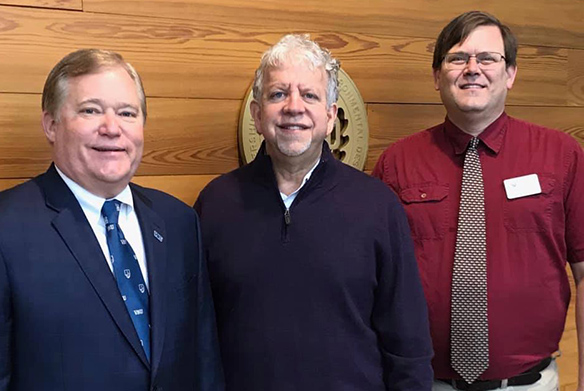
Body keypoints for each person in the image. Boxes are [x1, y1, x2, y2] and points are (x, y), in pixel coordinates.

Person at [194, 34, 433, 391]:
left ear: (330, 115)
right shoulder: (216, 203)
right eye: (278, 94)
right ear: (258, 116)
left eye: (310, 95)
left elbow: (407, 342)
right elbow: (195, 332)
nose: (294, 107)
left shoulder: (378, 206)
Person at [0, 49, 223, 391]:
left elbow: (204, 363)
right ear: (51, 125)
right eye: (90, 110)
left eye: (127, 113)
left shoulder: (179, 221)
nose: (112, 128)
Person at [373, 11, 584, 391]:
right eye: (458, 58)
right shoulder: (396, 163)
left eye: (488, 58)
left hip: (529, 385)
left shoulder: (562, 155)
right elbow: (373, 281)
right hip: (424, 383)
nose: (473, 68)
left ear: (511, 74)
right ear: (437, 76)